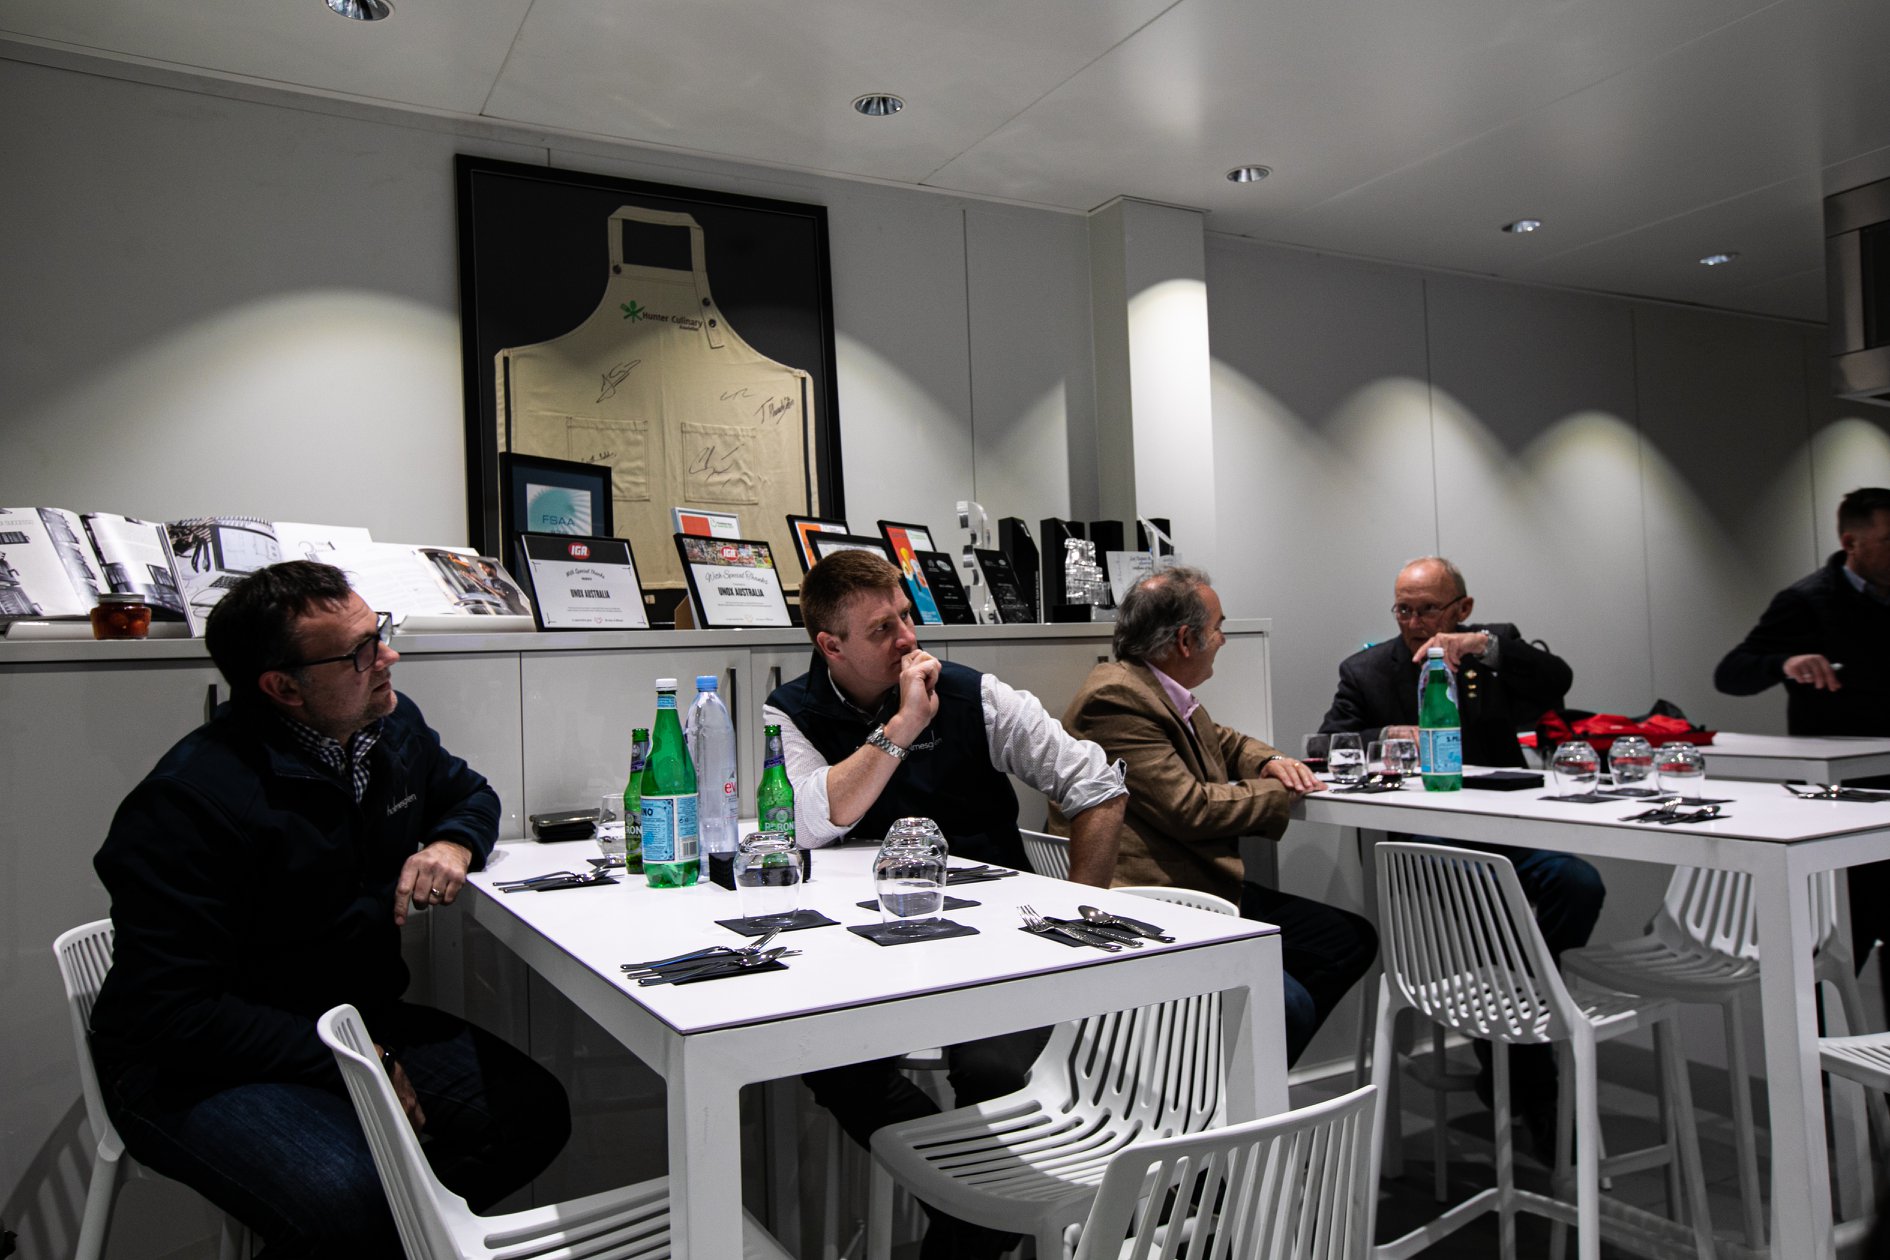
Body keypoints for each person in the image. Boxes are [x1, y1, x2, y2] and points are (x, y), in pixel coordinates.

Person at [90, 561, 569, 1256]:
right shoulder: (189, 802)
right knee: (353, 1200)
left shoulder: (387, 729)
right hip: (196, 1065)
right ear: (283, 688)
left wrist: (452, 844)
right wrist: (352, 1059)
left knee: (529, 1113)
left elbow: (470, 795)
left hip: (351, 1022)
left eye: (380, 633)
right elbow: (170, 1013)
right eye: (360, 652)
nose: (388, 658)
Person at [763, 549, 1128, 1259]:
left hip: (997, 948)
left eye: (906, 616)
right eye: (882, 630)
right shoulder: (793, 711)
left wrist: (1079, 918)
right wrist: (901, 726)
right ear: (831, 647)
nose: (908, 639)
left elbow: (1098, 786)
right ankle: (974, 1213)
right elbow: (812, 820)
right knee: (824, 1056)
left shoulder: (974, 695)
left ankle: (965, 1235)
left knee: (993, 1072)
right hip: (869, 949)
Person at [1320, 555, 1603, 1155]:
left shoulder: (1491, 648)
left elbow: (1557, 681)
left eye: (1427, 609)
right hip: (1423, 844)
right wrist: (1385, 737)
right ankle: (1534, 1081)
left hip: (1505, 829)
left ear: (1462, 609)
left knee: (1577, 882)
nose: (1413, 622)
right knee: (1491, 899)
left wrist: (1483, 646)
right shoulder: (1367, 670)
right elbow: (1325, 744)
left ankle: (1514, 1032)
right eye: (1403, 609)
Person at [1048, 566, 1377, 1066]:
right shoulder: (1115, 700)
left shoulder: (1155, 689)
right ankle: (1222, 1092)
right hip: (1154, 900)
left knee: (1347, 940)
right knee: (1289, 1006)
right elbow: (1191, 808)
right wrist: (1279, 792)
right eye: (1218, 627)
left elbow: (1224, 741)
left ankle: (1227, 1075)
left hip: (1196, 886)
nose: (1223, 639)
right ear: (1185, 640)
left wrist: (1270, 760)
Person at [1715, 486, 1890, 1001]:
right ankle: (1822, 1052)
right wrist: (1785, 663)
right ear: (1851, 542)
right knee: (1841, 941)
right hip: (1842, 799)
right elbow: (1732, 673)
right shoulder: (1808, 601)